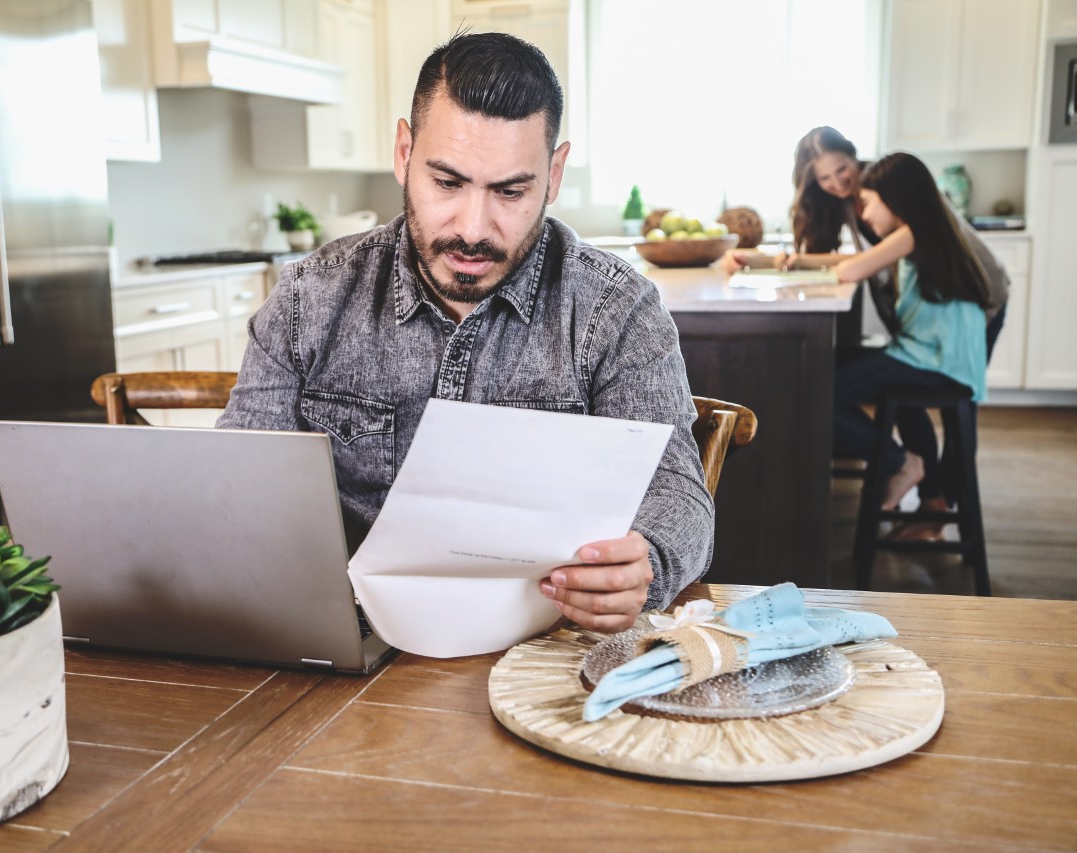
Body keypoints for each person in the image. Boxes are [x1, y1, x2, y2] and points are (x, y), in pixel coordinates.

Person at [216, 32, 714, 634]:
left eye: (510, 191)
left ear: (553, 175)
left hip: (546, 648)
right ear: (403, 152)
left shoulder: (616, 309)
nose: (473, 229)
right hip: (349, 649)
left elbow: (679, 495)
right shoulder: (307, 301)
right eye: (447, 183)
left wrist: (646, 563)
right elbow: (237, 494)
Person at [780, 152, 991, 535]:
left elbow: (851, 267)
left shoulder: (912, 232)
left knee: (816, 391)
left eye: (869, 202)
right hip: (929, 355)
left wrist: (801, 264)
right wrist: (797, 261)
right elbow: (854, 259)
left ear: (897, 200)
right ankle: (919, 484)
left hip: (932, 360)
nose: (864, 213)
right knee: (828, 374)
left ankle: (899, 463)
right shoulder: (927, 230)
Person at [722, 126, 1009, 353]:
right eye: (824, 179)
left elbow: (876, 256)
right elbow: (871, 257)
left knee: (958, 387)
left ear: (853, 156)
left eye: (841, 169)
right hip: (939, 299)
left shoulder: (889, 181)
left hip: (976, 289)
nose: (837, 183)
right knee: (939, 387)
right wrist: (781, 261)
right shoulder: (849, 201)